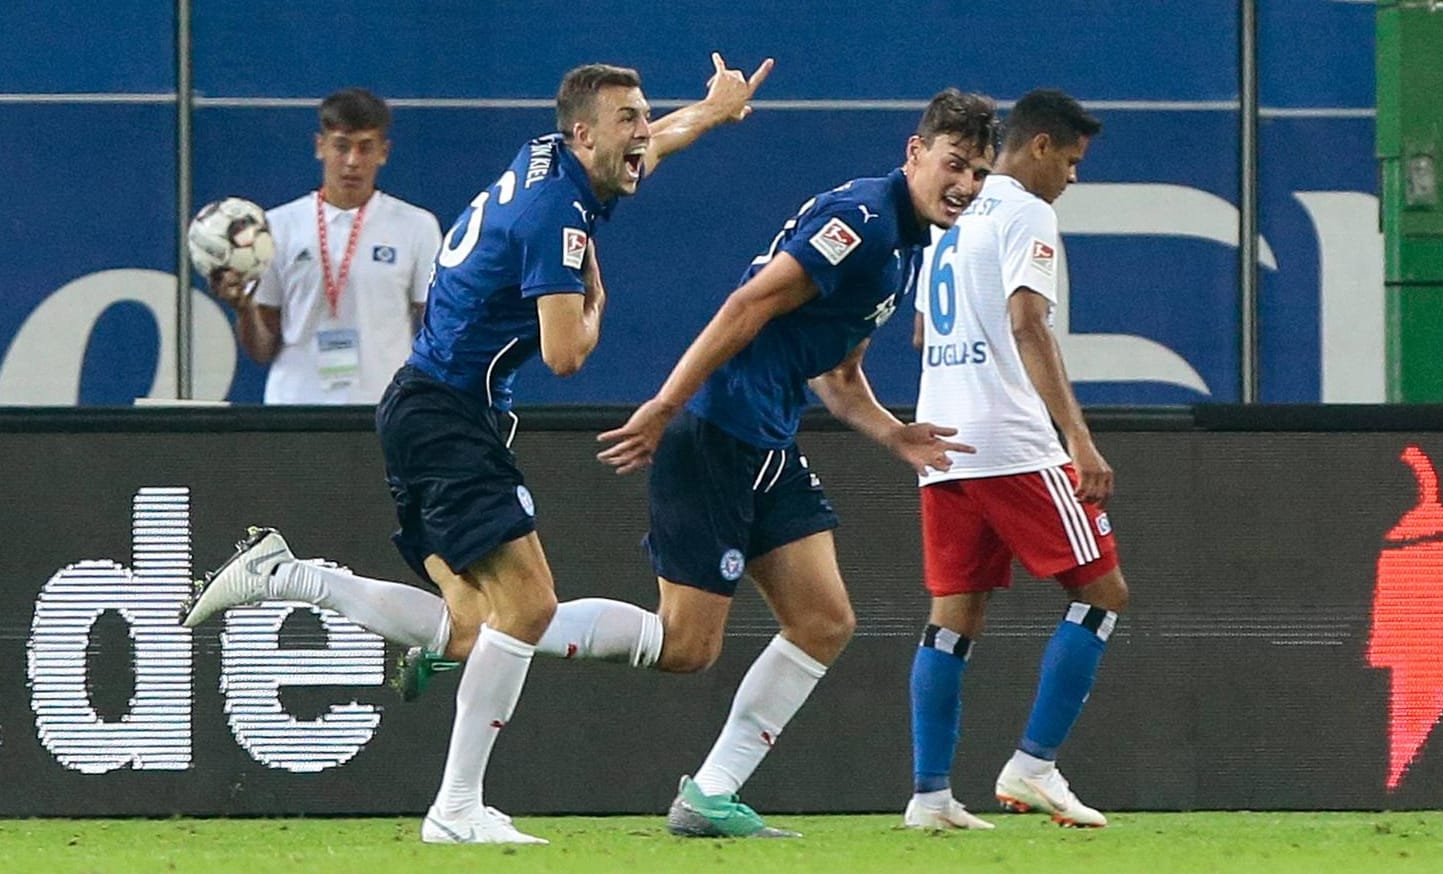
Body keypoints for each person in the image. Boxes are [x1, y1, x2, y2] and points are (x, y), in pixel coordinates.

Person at [181, 55, 773, 845]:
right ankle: (455, 810)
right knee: (527, 608)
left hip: (433, 409)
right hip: (447, 414)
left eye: (642, 116)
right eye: (627, 119)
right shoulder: (555, 217)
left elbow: (653, 145)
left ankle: (287, 574)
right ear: (583, 132)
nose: (641, 134)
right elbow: (566, 354)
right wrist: (597, 307)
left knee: (470, 629)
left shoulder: (554, 156)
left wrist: (711, 108)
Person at [593, 88, 997, 838]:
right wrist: (668, 403)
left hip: (767, 439)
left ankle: (710, 796)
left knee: (823, 620)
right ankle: (516, 629)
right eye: (954, 165)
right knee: (686, 647)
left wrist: (893, 434)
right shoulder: (867, 223)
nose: (965, 186)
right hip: (718, 427)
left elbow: (839, 378)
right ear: (915, 153)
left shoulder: (903, 243)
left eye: (978, 174)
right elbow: (749, 305)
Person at [902, 89, 1119, 831]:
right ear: (1037, 148)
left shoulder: (950, 216)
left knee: (952, 619)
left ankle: (930, 797)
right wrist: (1078, 440)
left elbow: (924, 336)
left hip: (943, 441)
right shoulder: (1029, 212)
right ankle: (1034, 766)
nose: (1072, 178)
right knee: (1103, 594)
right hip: (1011, 440)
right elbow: (1028, 323)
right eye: (1071, 160)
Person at [209, 87, 443, 404]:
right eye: (341, 147)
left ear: (384, 152)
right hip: (295, 408)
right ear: (320, 147)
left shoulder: (416, 226)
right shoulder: (278, 226)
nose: (351, 162)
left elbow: (437, 332)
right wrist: (243, 309)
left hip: (385, 408)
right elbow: (262, 350)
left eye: (365, 148)